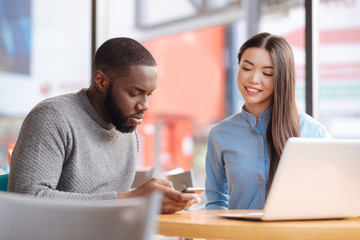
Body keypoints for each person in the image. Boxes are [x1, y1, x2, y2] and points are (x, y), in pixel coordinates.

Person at [8, 37, 200, 214]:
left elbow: (109, 204)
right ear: (100, 81)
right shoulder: (52, 117)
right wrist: (132, 199)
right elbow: (27, 199)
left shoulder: (127, 133)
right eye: (134, 93)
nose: (145, 105)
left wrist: (155, 201)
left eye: (149, 94)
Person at [205, 32, 331, 210]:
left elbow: (335, 192)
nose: (254, 79)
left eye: (267, 73)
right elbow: (216, 201)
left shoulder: (313, 131)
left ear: (282, 78)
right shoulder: (220, 135)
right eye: (247, 68)